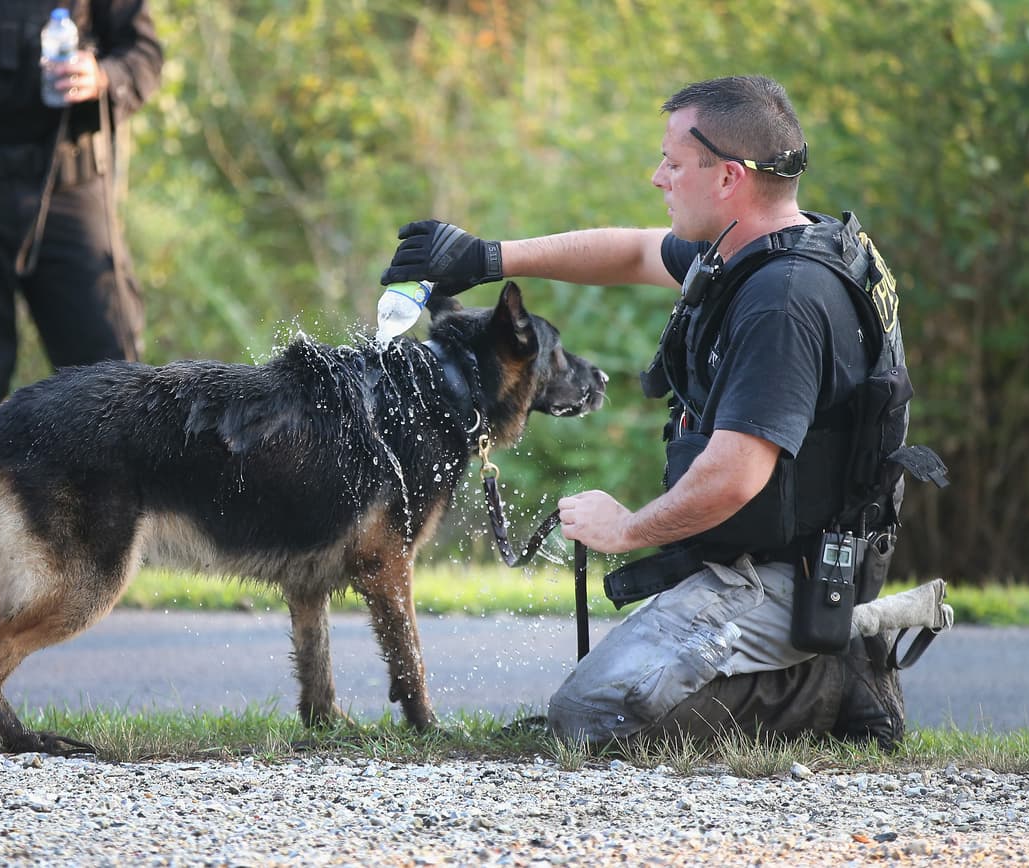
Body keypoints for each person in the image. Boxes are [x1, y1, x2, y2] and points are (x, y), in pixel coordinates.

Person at [381, 75, 949, 750]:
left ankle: (836, 680)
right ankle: (813, 657)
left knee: (595, 719)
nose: (658, 178)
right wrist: (486, 257)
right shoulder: (754, 246)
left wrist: (625, 529)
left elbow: (736, 477)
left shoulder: (784, 302)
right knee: (605, 701)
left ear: (730, 177)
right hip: (765, 555)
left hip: (790, 578)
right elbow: (635, 251)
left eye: (673, 164)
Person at [0, 0, 163, 471]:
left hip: (65, 185)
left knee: (114, 385)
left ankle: (129, 542)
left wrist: (101, 76)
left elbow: (142, 53)